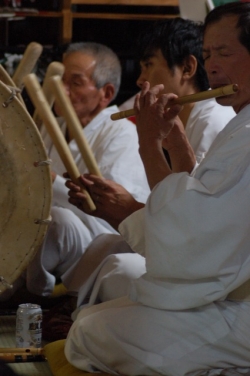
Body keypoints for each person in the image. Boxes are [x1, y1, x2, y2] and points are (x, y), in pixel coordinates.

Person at [64, 2, 250, 375]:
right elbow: (198, 204)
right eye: (209, 52)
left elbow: (192, 239)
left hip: (238, 309)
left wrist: (149, 146)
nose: (213, 65)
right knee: (96, 312)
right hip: (216, 284)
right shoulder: (239, 123)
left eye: (225, 53)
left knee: (91, 330)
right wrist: (176, 141)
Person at [61, 17, 235, 302]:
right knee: (107, 246)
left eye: (149, 65)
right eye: (209, 55)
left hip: (209, 269)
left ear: (188, 68)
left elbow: (191, 223)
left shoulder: (213, 121)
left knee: (116, 269)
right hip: (181, 244)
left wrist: (128, 209)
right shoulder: (178, 113)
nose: (141, 80)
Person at [0, 42, 150, 302]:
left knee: (55, 220)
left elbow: (108, 216)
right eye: (60, 80)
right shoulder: (52, 124)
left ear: (106, 93)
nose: (63, 90)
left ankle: (33, 297)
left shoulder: (121, 134)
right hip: (54, 239)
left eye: (76, 83)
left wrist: (48, 182)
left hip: (97, 243)